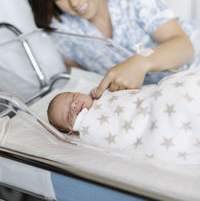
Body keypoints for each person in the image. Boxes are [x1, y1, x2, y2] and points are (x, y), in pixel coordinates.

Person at [28, 0, 200, 99]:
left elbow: (184, 46)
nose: (73, 2)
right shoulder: (62, 29)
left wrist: (141, 62)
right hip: (159, 94)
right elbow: (78, 77)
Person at [47, 68, 200, 164]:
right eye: (68, 114)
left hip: (156, 98)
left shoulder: (101, 95)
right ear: (72, 131)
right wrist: (85, 125)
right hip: (156, 119)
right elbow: (118, 135)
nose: (73, 105)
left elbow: (133, 94)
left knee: (178, 87)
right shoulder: (92, 128)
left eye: (73, 96)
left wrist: (105, 91)